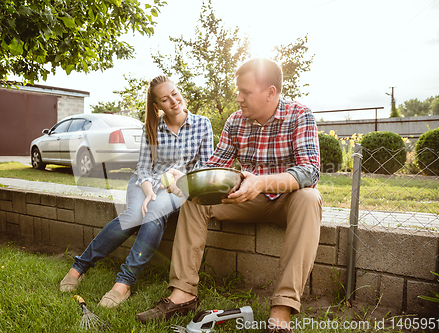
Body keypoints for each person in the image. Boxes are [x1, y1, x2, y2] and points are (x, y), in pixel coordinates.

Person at [136, 58, 322, 333]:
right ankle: (182, 294)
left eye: (245, 92)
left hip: (286, 199)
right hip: (244, 198)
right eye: (238, 91)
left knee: (310, 198)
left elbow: (310, 170)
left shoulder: (299, 115)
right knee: (194, 201)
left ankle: (281, 311)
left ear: (271, 92)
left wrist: (261, 183)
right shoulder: (236, 121)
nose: (238, 98)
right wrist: (185, 180)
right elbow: (214, 167)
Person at [59, 75, 214, 309]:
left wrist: (176, 178)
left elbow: (205, 168)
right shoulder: (151, 127)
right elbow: (143, 167)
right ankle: (79, 267)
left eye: (174, 93)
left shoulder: (202, 124)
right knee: (133, 215)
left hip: (177, 187)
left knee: (152, 215)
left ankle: (123, 283)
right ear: (157, 106)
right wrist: (149, 191)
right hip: (144, 182)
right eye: (165, 99)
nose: (173, 101)